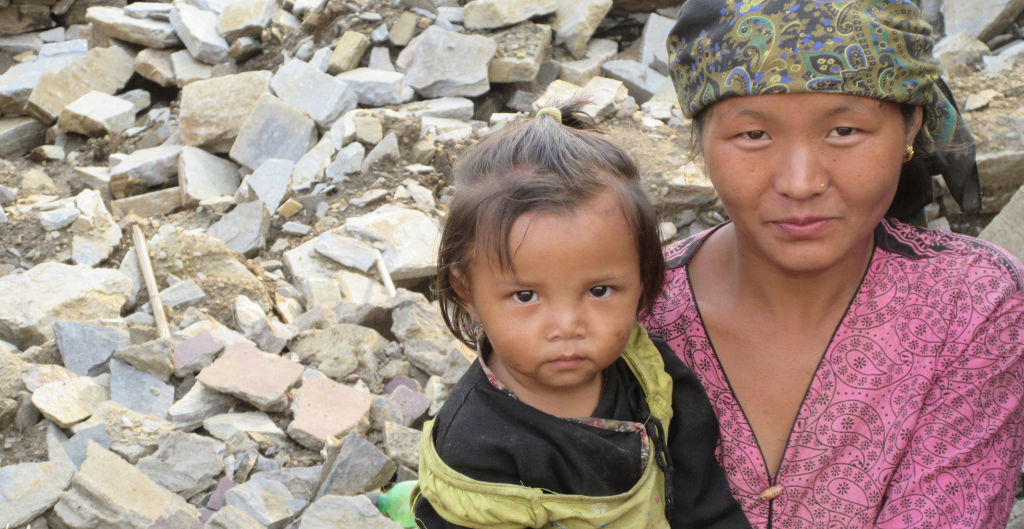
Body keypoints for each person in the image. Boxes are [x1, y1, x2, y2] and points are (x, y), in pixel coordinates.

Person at [641, 1, 1024, 528]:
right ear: (700, 138)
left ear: (911, 126)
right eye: (753, 135)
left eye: (843, 130)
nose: (800, 183)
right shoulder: (630, 304)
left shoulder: (971, 302)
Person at [413, 103, 752, 529]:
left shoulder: (652, 376)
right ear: (467, 292)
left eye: (599, 291)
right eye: (525, 296)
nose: (567, 326)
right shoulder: (474, 445)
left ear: (643, 278)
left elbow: (704, 501)